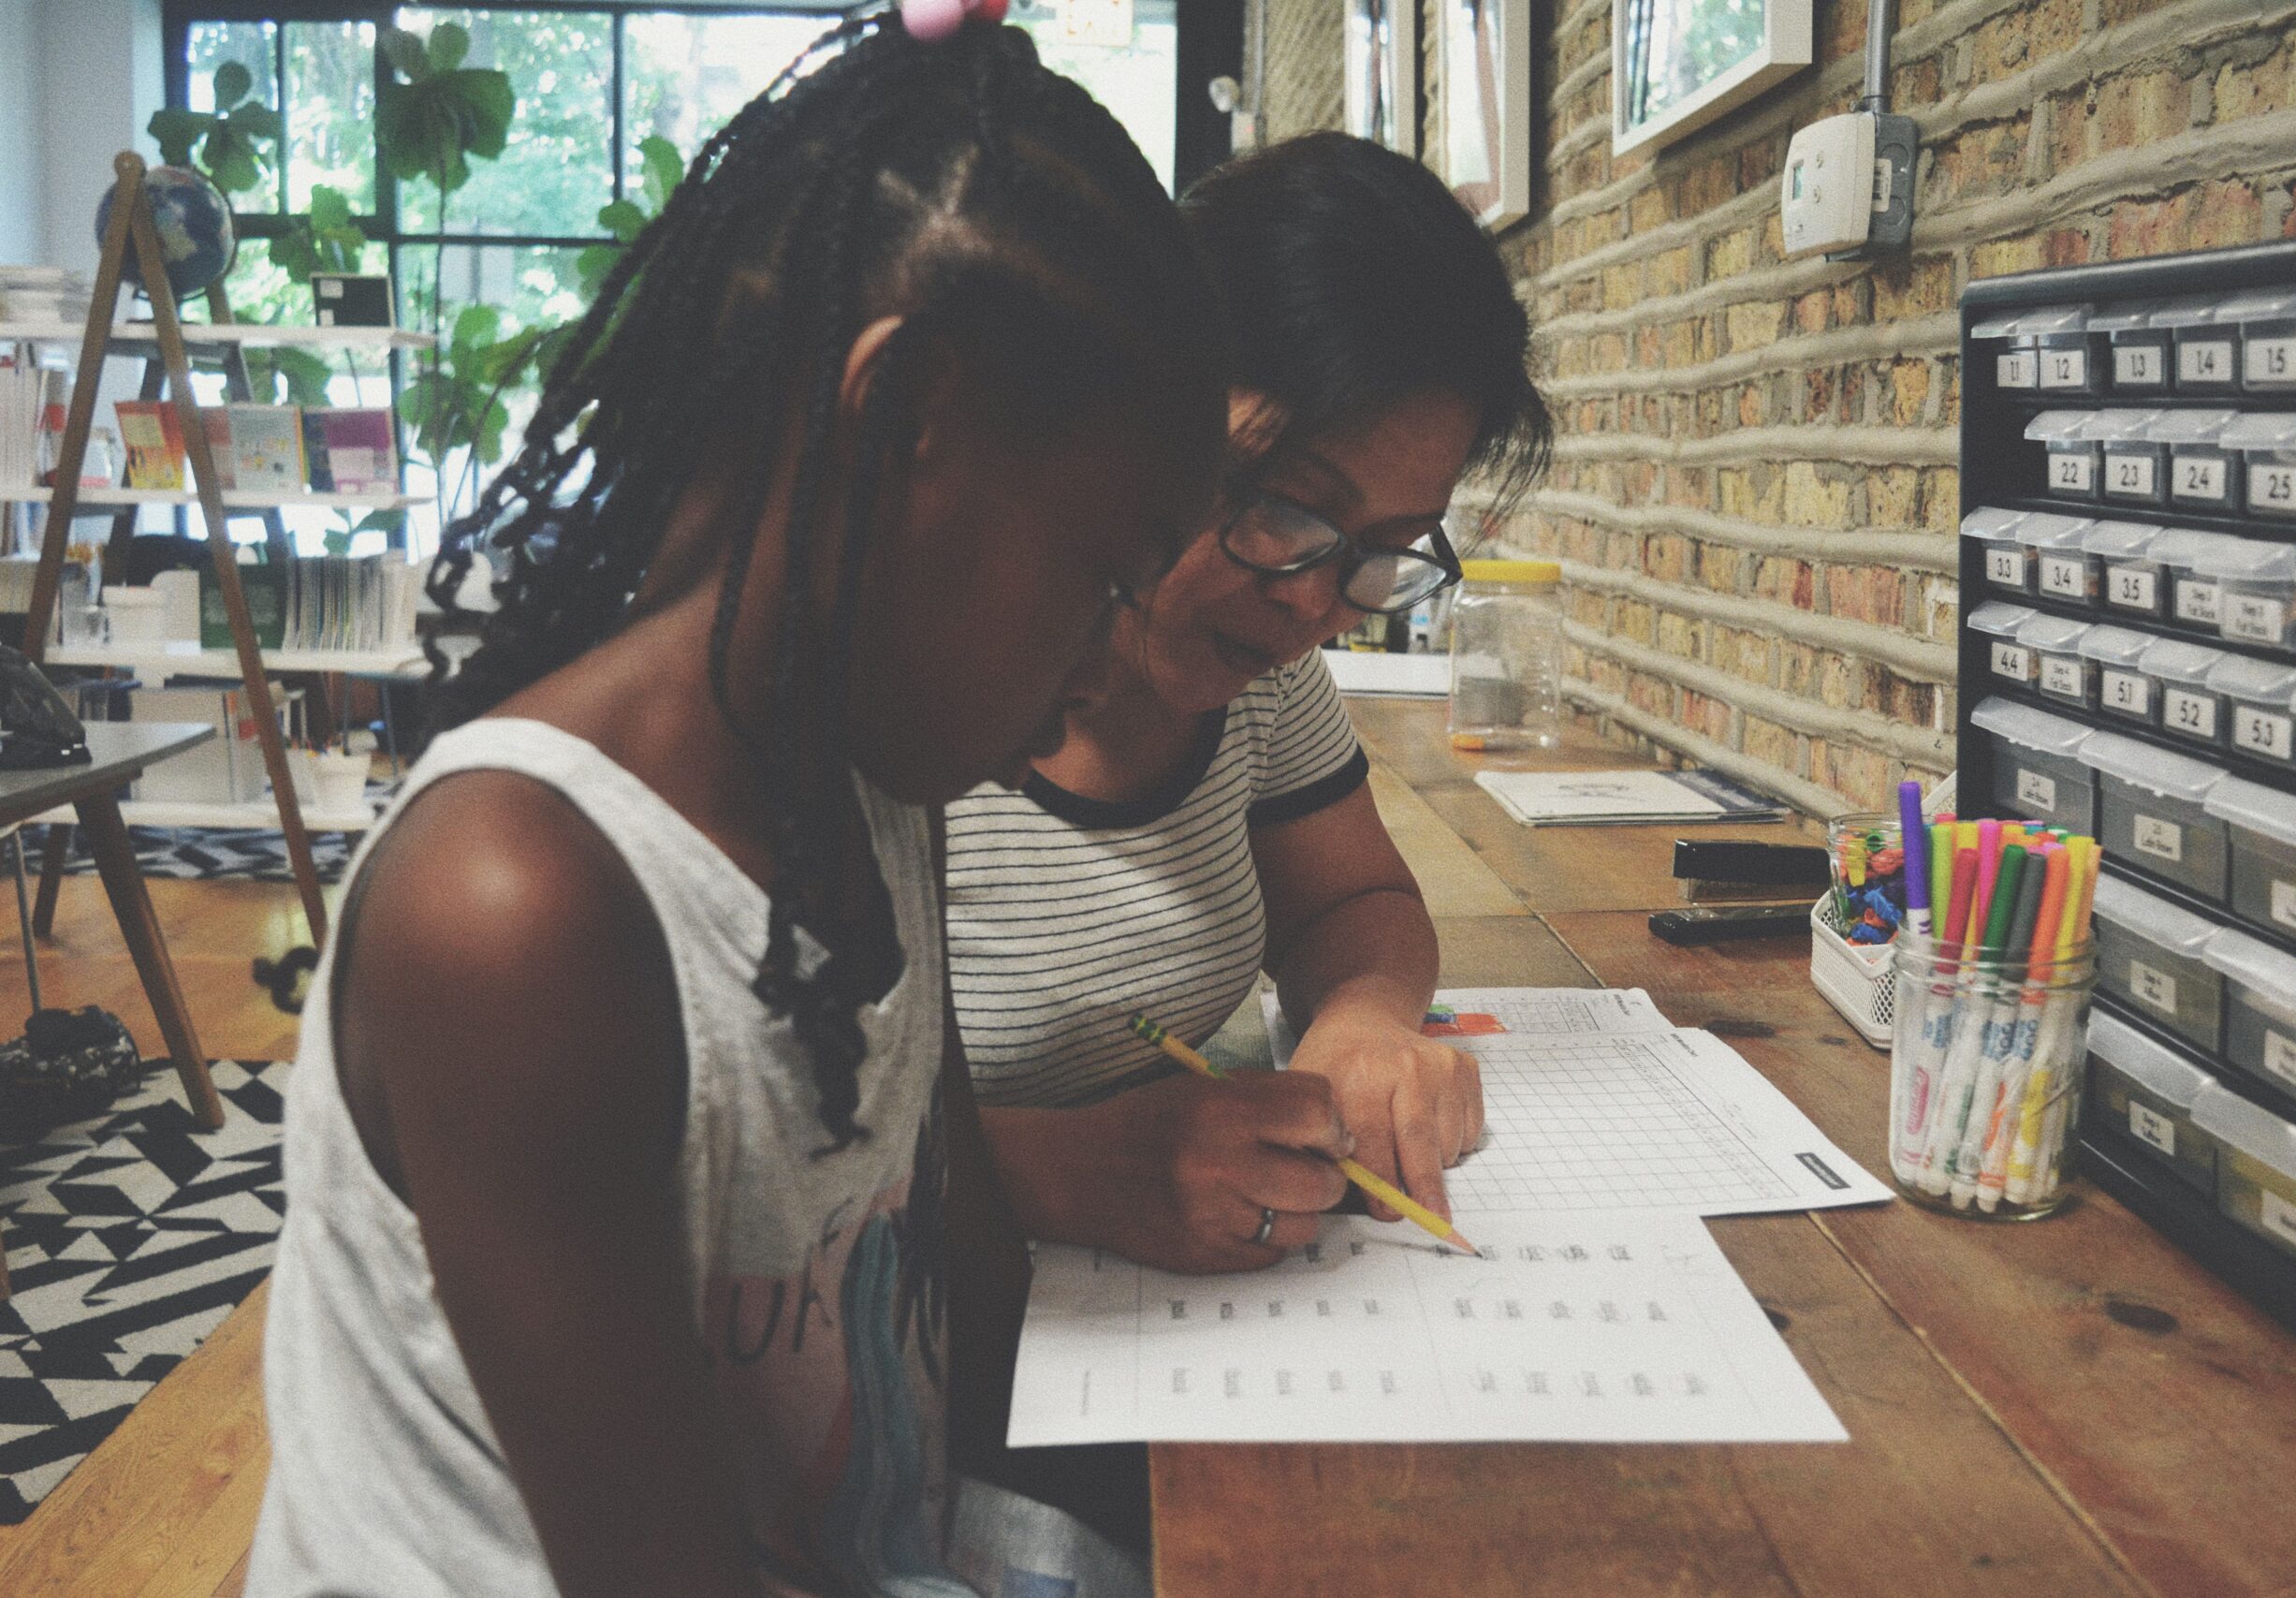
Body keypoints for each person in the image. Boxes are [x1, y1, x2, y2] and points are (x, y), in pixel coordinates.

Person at [244, 18, 1245, 1598]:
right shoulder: (517, 912)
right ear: (898, 410)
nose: (1113, 665)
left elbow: (965, 1268)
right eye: (1106, 579)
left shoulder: (868, 772)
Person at [944, 132, 1553, 1274]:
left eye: (1382, 550)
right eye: (1281, 508)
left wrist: (1364, 1022)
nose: (1313, 606)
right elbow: (702, 1141)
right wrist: (1063, 1172)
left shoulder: (1260, 677)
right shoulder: (905, 687)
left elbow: (1353, 899)